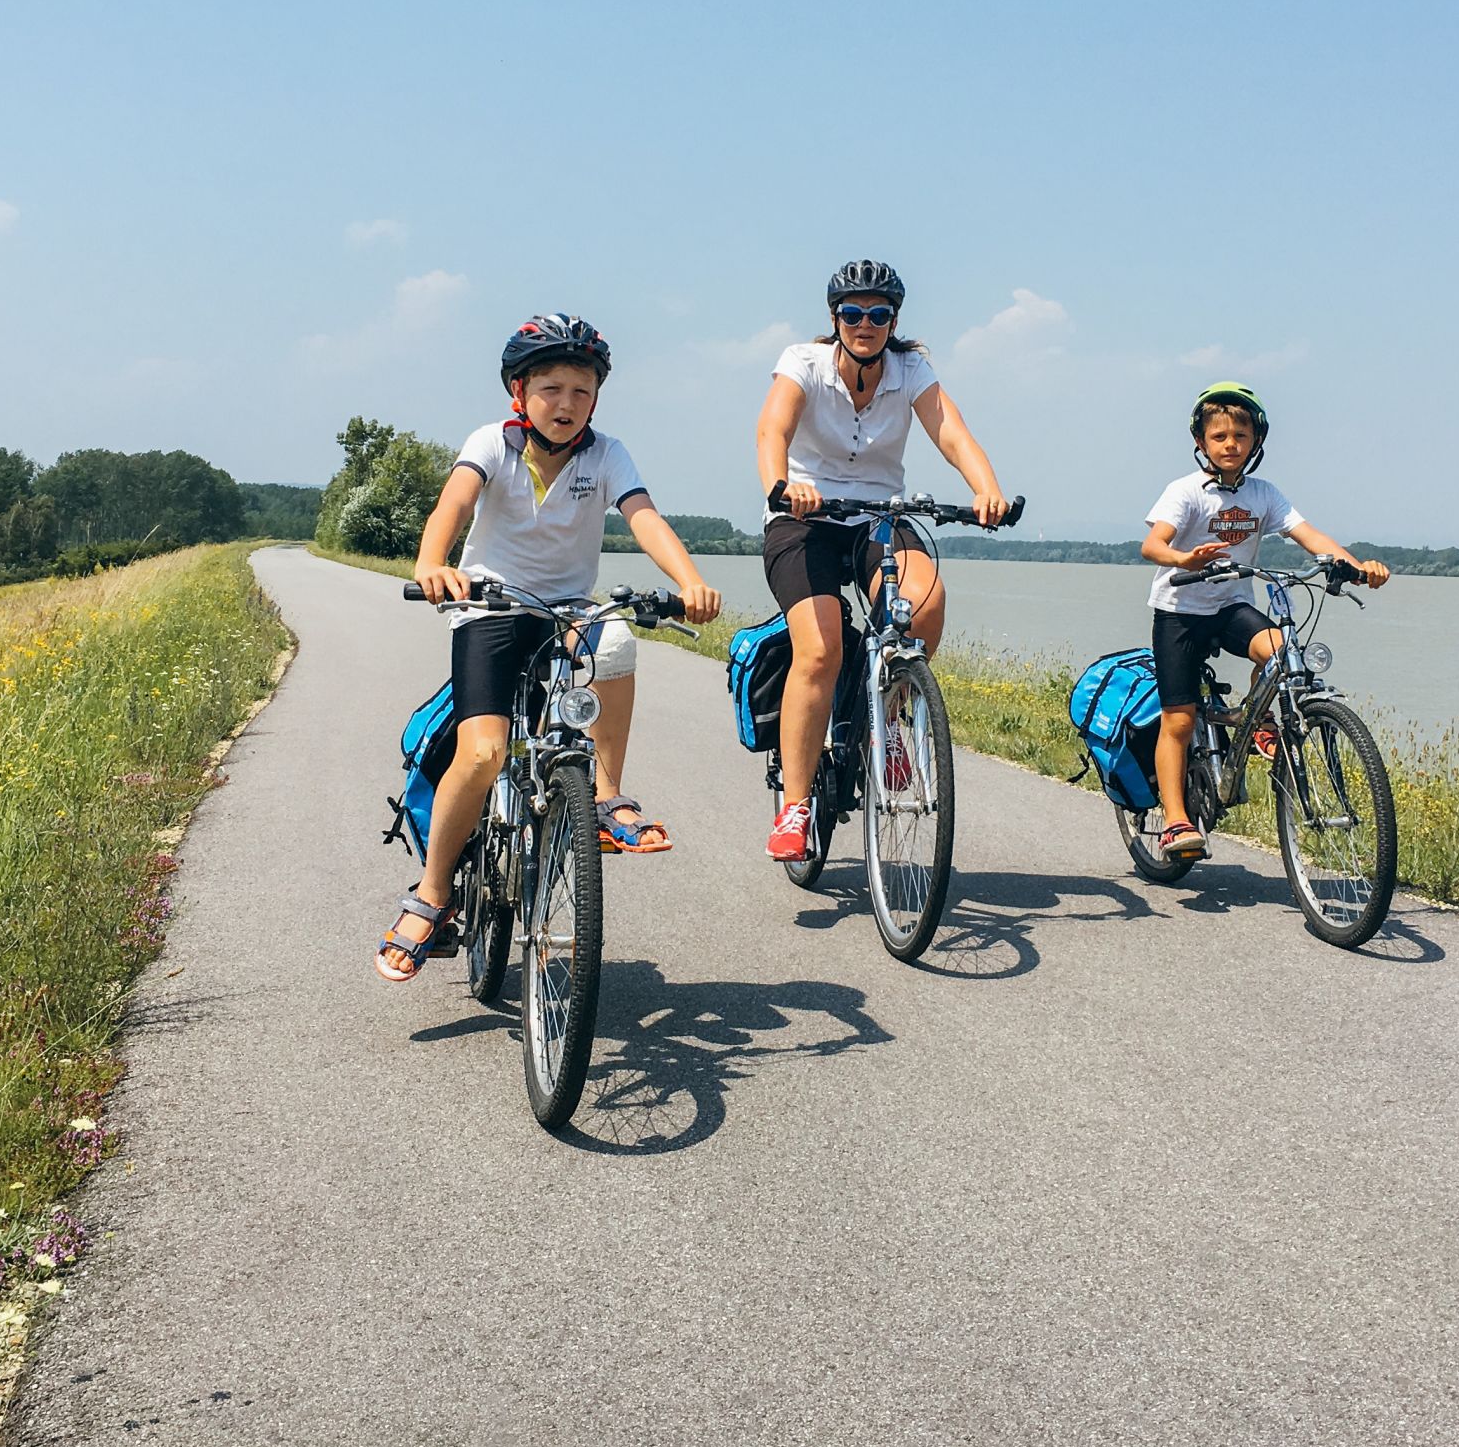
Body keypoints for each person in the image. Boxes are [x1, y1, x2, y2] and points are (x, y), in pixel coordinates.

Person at [377, 314, 723, 981]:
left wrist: (690, 582)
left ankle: (606, 794)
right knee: (484, 754)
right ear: (520, 392)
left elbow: (644, 516)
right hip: (490, 604)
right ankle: (432, 893)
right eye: (551, 388)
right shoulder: (494, 443)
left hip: (567, 610)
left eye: (582, 391)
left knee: (616, 639)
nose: (566, 404)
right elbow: (453, 503)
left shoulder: (606, 454)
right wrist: (431, 562)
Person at [751, 259, 1011, 862]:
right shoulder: (803, 363)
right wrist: (782, 483)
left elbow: (951, 433)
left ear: (893, 320)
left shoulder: (909, 368)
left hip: (878, 518)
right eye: (852, 313)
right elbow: (772, 430)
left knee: (926, 603)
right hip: (805, 518)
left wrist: (986, 486)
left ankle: (890, 722)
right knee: (820, 650)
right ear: (834, 318)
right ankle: (795, 807)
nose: (864, 324)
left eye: (878, 314)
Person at [1139, 381, 1389, 858]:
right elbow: (1151, 546)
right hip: (1182, 610)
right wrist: (1185, 559)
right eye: (1219, 437)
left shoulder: (1264, 494)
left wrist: (1356, 567)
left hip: (1231, 606)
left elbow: (1310, 535)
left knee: (1281, 652)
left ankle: (1258, 721)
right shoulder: (1186, 491)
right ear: (1200, 443)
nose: (1230, 445)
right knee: (1179, 718)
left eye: (1240, 435)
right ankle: (1175, 822)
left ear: (1256, 440)